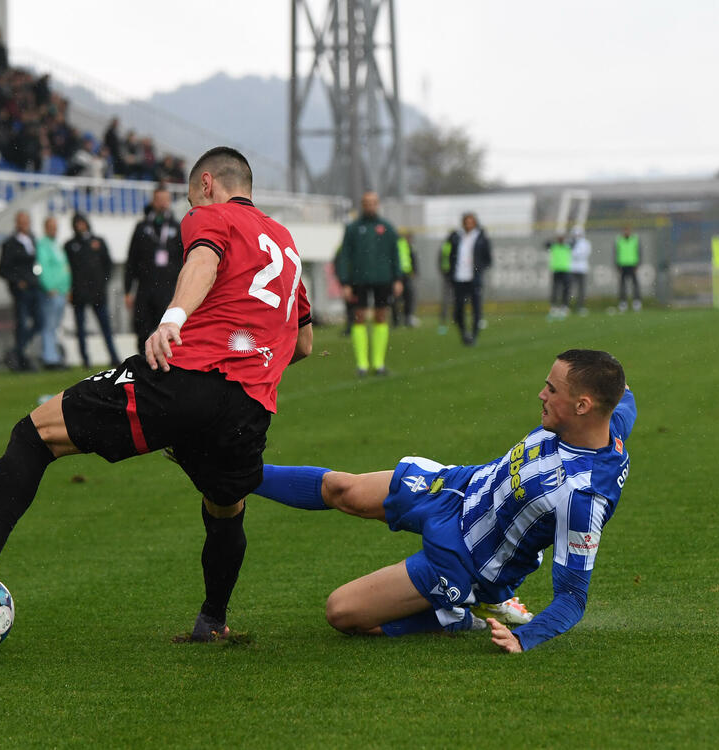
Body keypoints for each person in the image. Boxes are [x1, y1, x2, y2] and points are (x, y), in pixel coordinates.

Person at [0, 147, 314, 642]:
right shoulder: (287, 243)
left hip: (184, 378)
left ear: (207, 183)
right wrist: (253, 361)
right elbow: (304, 343)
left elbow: (204, 261)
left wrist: (172, 319)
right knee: (225, 506)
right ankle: (212, 621)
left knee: (35, 432)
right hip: (249, 406)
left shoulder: (209, 215)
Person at [254, 349, 636, 652]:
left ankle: (457, 614)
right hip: (462, 487)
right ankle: (238, 473)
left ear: (583, 406)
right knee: (345, 491)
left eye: (552, 389)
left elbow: (572, 597)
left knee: (342, 612)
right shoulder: (609, 421)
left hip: (466, 561)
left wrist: (524, 638)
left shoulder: (583, 497)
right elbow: (624, 398)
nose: (542, 394)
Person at [335, 191, 402, 375]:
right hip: (359, 280)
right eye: (366, 202)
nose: (370, 205)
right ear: (362, 204)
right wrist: (345, 282)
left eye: (373, 202)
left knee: (381, 316)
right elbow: (345, 256)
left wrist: (397, 278)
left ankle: (379, 363)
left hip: (383, 279)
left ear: (377, 204)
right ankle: (362, 365)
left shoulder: (387, 227)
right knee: (359, 318)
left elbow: (395, 254)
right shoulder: (353, 228)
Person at [124, 185, 184, 354]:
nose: (163, 204)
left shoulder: (177, 226)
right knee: (142, 328)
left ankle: (166, 367)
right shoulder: (142, 227)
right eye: (159, 200)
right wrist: (128, 290)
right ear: (153, 201)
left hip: (168, 288)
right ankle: (141, 363)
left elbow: (183, 260)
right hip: (145, 287)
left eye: (166, 200)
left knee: (167, 329)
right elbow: (131, 260)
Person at [64, 213, 120, 368]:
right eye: (77, 223)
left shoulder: (98, 242)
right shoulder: (70, 245)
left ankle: (114, 356)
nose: (80, 226)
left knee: (105, 328)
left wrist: (103, 283)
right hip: (79, 293)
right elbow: (68, 269)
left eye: (82, 223)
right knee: (81, 329)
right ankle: (85, 359)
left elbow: (108, 265)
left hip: (97, 292)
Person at [0, 211, 42, 371]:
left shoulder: (33, 240)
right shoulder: (10, 243)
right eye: (22, 222)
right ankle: (20, 357)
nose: (25, 225)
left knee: (39, 322)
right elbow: (2, 269)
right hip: (21, 291)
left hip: (34, 287)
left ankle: (17, 351)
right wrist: (17, 281)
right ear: (17, 223)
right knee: (22, 324)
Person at [443, 213, 492, 346]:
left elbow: (488, 258)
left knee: (476, 308)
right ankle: (464, 333)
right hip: (459, 277)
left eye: (471, 222)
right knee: (458, 309)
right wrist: (450, 271)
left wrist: (478, 269)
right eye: (466, 222)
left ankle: (474, 335)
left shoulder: (481, 237)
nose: (468, 224)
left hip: (474, 278)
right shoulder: (457, 237)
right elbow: (450, 255)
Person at [35, 216, 70, 370]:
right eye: (51, 226)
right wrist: (49, 286)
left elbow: (64, 268)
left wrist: (67, 288)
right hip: (52, 292)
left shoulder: (56, 245)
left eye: (55, 226)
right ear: (45, 228)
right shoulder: (43, 245)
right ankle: (50, 358)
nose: (54, 229)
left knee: (54, 326)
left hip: (61, 291)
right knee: (49, 325)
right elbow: (43, 268)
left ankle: (54, 356)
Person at [392, 232, 419, 328]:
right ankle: (403, 318)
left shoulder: (405, 245)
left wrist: (414, 270)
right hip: (401, 275)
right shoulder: (402, 245)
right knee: (404, 297)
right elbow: (412, 258)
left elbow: (412, 258)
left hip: (405, 274)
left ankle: (399, 319)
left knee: (404, 297)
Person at [615, 227, 642, 312]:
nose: (626, 232)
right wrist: (617, 264)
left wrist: (638, 264)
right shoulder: (619, 240)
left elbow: (639, 252)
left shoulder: (635, 240)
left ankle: (636, 302)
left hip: (632, 264)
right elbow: (616, 253)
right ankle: (623, 302)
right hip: (622, 265)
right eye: (625, 230)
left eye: (627, 230)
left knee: (635, 284)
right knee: (622, 285)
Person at [545, 234, 572, 320]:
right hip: (557, 270)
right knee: (555, 289)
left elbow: (574, 243)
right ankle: (554, 307)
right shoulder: (554, 246)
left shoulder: (567, 246)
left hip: (565, 269)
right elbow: (546, 244)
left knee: (565, 289)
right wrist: (553, 239)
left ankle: (564, 306)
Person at [569, 226, 592, 315]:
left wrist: (574, 253)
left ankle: (580, 306)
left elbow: (582, 254)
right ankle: (568, 306)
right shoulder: (571, 243)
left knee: (581, 289)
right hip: (572, 268)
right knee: (570, 289)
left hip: (582, 268)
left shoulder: (585, 243)